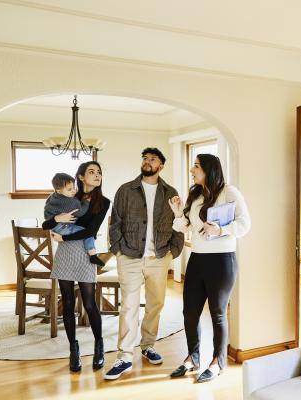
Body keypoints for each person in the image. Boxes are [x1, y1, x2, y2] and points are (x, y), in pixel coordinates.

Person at [168, 153, 251, 383]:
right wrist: (177, 212)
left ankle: (218, 362)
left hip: (222, 261)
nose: (192, 170)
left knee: (217, 313)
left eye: (196, 166)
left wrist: (221, 230)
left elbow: (245, 224)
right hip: (197, 259)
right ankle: (192, 358)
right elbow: (185, 226)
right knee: (190, 312)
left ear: (209, 169)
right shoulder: (195, 194)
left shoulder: (229, 192)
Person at [103, 148, 185, 381]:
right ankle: (124, 356)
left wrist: (174, 251)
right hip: (129, 256)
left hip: (159, 258)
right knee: (128, 306)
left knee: (155, 304)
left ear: (161, 165)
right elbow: (115, 222)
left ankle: (148, 345)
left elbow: (179, 220)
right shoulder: (126, 190)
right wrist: (117, 249)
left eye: (153, 160)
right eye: (145, 159)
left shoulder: (170, 192)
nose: (147, 162)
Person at [42, 161, 111, 372]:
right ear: (80, 177)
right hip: (65, 255)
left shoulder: (104, 202)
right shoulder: (69, 196)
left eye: (99, 172)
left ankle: (99, 345)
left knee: (90, 304)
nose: (97, 175)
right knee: (68, 302)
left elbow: (91, 230)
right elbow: (46, 225)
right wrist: (57, 218)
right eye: (92, 172)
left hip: (84, 253)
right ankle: (74, 348)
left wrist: (62, 237)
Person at [44, 172, 104, 266]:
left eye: (74, 187)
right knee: (87, 233)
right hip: (64, 228)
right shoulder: (69, 202)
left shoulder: (52, 197)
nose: (73, 191)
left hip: (55, 227)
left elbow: (46, 213)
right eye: (69, 189)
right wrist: (86, 202)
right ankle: (92, 255)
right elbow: (80, 212)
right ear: (59, 191)